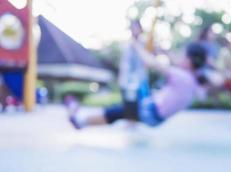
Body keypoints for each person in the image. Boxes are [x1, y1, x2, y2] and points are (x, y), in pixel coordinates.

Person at [67, 41, 207, 129]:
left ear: (189, 60)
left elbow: (151, 63)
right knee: (123, 109)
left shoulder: (181, 76)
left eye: (183, 56)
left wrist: (137, 47)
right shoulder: (195, 83)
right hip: (156, 117)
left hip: (150, 111)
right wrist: (161, 51)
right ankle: (128, 120)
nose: (180, 58)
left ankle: (80, 121)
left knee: (120, 107)